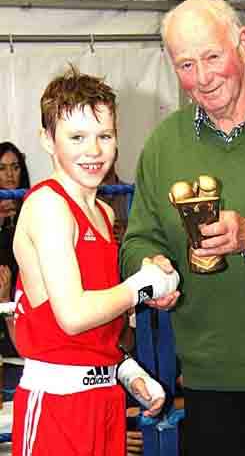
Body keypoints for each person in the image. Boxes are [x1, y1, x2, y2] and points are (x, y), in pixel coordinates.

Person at [120, 0, 245, 456]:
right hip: (211, 380)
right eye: (185, 64)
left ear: (243, 44)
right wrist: (149, 270)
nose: (201, 78)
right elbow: (137, 238)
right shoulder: (163, 144)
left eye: (211, 57)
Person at [11, 66, 180, 456]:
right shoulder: (48, 205)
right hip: (56, 404)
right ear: (47, 140)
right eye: (77, 137)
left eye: (104, 136)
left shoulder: (104, 213)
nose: (93, 150)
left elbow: (95, 327)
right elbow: (71, 316)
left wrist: (127, 371)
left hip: (103, 401)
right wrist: (140, 286)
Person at [0, 142, 30, 396]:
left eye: (15, 167)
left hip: (24, 292)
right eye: (2, 168)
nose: (10, 174)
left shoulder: (33, 204)